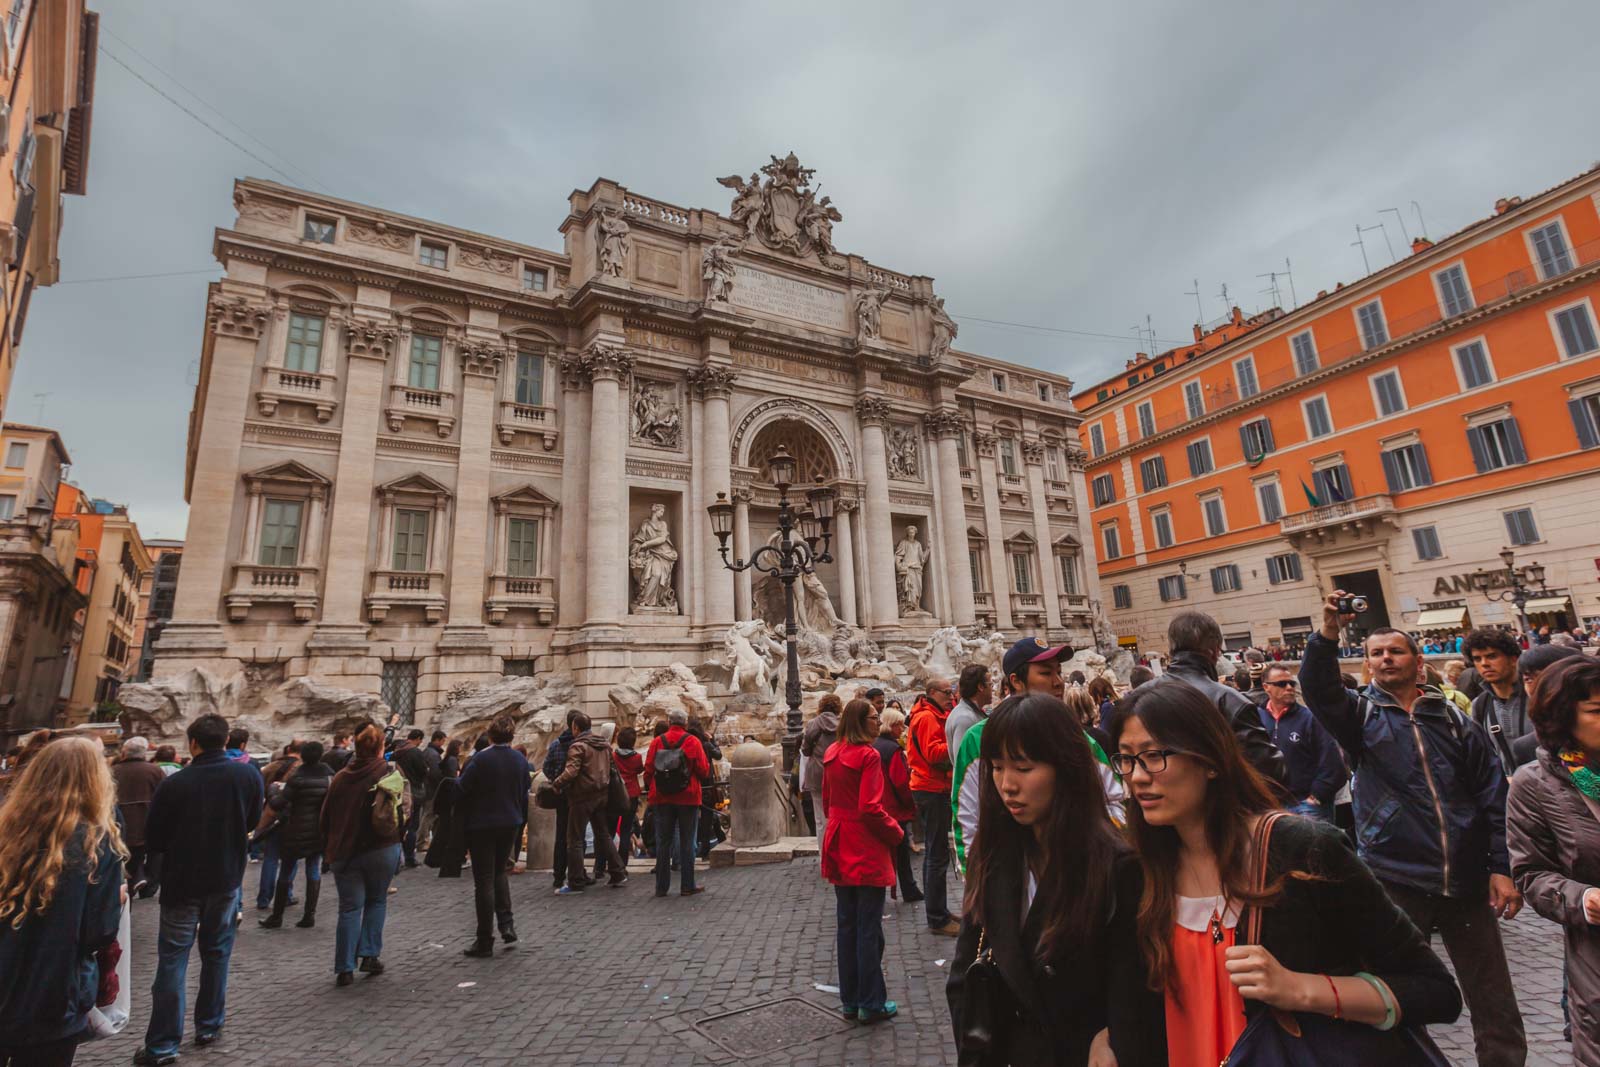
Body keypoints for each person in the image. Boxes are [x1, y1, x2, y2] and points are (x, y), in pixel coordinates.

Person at [1112, 680, 1460, 1066]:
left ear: (1210, 759)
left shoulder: (1302, 850)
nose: (1137, 776)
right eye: (1126, 759)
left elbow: (1435, 990)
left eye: (1154, 755)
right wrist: (1105, 1034)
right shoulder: (1139, 873)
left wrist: (1299, 989)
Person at [1301, 590, 1526, 1067]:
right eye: (1376, 653)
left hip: (1465, 880)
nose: (1386, 658)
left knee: (1493, 1000)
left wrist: (1501, 868)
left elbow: (1492, 798)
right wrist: (1327, 632)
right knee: (1396, 993)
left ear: (1417, 660)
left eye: (1395, 650)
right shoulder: (1359, 716)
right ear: (1367, 667)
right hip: (1395, 877)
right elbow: (1318, 688)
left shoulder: (1454, 721)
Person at [948, 694, 1166, 1066]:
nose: (1006, 785)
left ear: (1066, 768)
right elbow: (963, 978)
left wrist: (1113, 1034)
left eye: (1023, 767)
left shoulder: (1119, 868)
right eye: (997, 767)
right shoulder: (993, 858)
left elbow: (1132, 991)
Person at [134, 715, 264, 1065]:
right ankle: (209, 1026)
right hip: (225, 880)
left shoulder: (176, 783)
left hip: (182, 882)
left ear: (193, 743)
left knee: (173, 961)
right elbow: (252, 820)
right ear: (226, 742)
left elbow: (156, 837)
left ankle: (162, 1046)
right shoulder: (248, 775)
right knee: (217, 953)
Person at [0, 737, 126, 1067]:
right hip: (55, 996)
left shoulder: (5, 831)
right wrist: (117, 900)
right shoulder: (96, 845)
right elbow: (97, 933)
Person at [1508, 656, 1600, 1062]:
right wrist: (1583, 899)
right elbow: (1530, 873)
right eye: (1597, 711)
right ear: (1564, 718)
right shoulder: (1534, 783)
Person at [821, 698, 904, 1024]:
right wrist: (895, 831)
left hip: (839, 838)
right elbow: (871, 807)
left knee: (847, 925)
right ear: (859, 722)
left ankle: (850, 999)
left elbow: (828, 803)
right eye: (873, 718)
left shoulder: (832, 753)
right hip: (864, 844)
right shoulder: (868, 757)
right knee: (869, 928)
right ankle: (871, 1002)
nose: (878, 723)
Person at [1151, 611, 1288, 790]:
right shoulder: (1230, 701)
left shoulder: (1139, 697)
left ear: (1171, 650)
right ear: (1215, 651)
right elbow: (1271, 770)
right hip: (1218, 808)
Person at [319, 723, 403, 987]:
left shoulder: (341, 777)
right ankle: (369, 954)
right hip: (381, 847)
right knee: (377, 901)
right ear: (381, 747)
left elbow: (325, 818)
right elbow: (403, 811)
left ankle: (344, 968)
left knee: (349, 908)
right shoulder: (389, 772)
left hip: (345, 850)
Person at [458, 716, 533, 952]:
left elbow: (463, 788)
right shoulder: (520, 761)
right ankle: (507, 926)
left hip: (482, 824)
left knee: (484, 881)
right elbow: (524, 792)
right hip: (510, 822)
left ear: (490, 735)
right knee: (500, 872)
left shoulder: (481, 759)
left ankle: (484, 939)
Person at [1257, 664, 1345, 821]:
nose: (1289, 688)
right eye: (1282, 684)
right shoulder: (1256, 718)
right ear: (1266, 687)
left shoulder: (1311, 719)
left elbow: (1333, 763)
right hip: (1269, 806)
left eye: (1292, 683)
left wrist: (1316, 797)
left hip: (1306, 806)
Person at [550, 713, 627, 894]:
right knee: (603, 835)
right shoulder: (603, 745)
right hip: (601, 795)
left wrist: (556, 784)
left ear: (575, 728)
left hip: (582, 797)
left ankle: (576, 881)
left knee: (575, 839)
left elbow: (571, 772)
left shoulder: (578, 746)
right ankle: (618, 872)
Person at [907, 676, 959, 936]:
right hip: (931, 788)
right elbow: (933, 753)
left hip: (933, 786)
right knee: (936, 856)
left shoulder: (933, 714)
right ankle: (937, 917)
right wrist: (958, 744)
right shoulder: (927, 718)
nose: (950, 696)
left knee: (936, 853)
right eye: (946, 692)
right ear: (931, 693)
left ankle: (940, 910)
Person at [258, 741, 330, 929]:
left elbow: (279, 803)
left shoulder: (297, 778)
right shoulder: (329, 778)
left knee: (287, 870)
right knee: (313, 869)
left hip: (294, 829)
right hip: (318, 831)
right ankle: (309, 915)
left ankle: (277, 916)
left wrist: (273, 790)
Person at [644, 708, 710, 897]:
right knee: (687, 841)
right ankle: (687, 886)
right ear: (685, 723)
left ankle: (661, 887)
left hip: (661, 798)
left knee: (663, 842)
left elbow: (648, 770)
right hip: (688, 797)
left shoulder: (657, 742)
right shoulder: (693, 741)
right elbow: (704, 771)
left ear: (669, 721)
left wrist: (657, 786)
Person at [1466, 627, 1536, 771]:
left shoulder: (1536, 695)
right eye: (1477, 659)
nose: (1484, 663)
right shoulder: (1479, 705)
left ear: (1513, 659)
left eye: (1492, 656)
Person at [871, 708, 921, 904]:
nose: (903, 728)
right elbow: (900, 782)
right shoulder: (893, 750)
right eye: (900, 724)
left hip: (880, 805)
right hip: (894, 808)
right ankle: (908, 889)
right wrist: (910, 803)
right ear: (892, 726)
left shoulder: (875, 745)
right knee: (901, 852)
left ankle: (903, 888)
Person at [110, 736, 166, 898]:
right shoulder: (155, 771)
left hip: (120, 822)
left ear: (124, 752)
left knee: (125, 855)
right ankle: (146, 882)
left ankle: (132, 881)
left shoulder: (113, 771)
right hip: (149, 821)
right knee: (152, 855)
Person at [254, 740, 300, 912]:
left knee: (270, 859)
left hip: (271, 816)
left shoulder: (271, 767)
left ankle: (264, 898)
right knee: (290, 860)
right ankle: (286, 894)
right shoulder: (301, 768)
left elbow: (260, 788)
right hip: (293, 818)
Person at [542, 710, 581, 890]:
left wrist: (555, 782)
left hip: (560, 794)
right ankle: (578, 873)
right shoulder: (580, 745)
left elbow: (546, 767)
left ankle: (558, 875)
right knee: (577, 836)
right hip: (578, 794)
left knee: (561, 836)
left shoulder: (556, 744)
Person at [801, 694, 842, 847]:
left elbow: (805, 750)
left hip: (817, 774)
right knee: (839, 815)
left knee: (820, 819)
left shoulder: (813, 723)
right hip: (839, 773)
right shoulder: (843, 724)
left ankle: (824, 856)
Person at [392, 729, 432, 869]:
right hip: (414, 791)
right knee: (412, 826)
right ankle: (409, 857)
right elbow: (423, 771)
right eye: (420, 740)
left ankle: (397, 856)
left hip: (397, 790)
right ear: (418, 738)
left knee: (399, 825)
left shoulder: (397, 749)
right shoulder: (415, 752)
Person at [945, 664, 990, 757]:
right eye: (990, 684)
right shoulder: (965, 719)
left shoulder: (970, 713)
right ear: (981, 687)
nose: (992, 689)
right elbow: (964, 761)